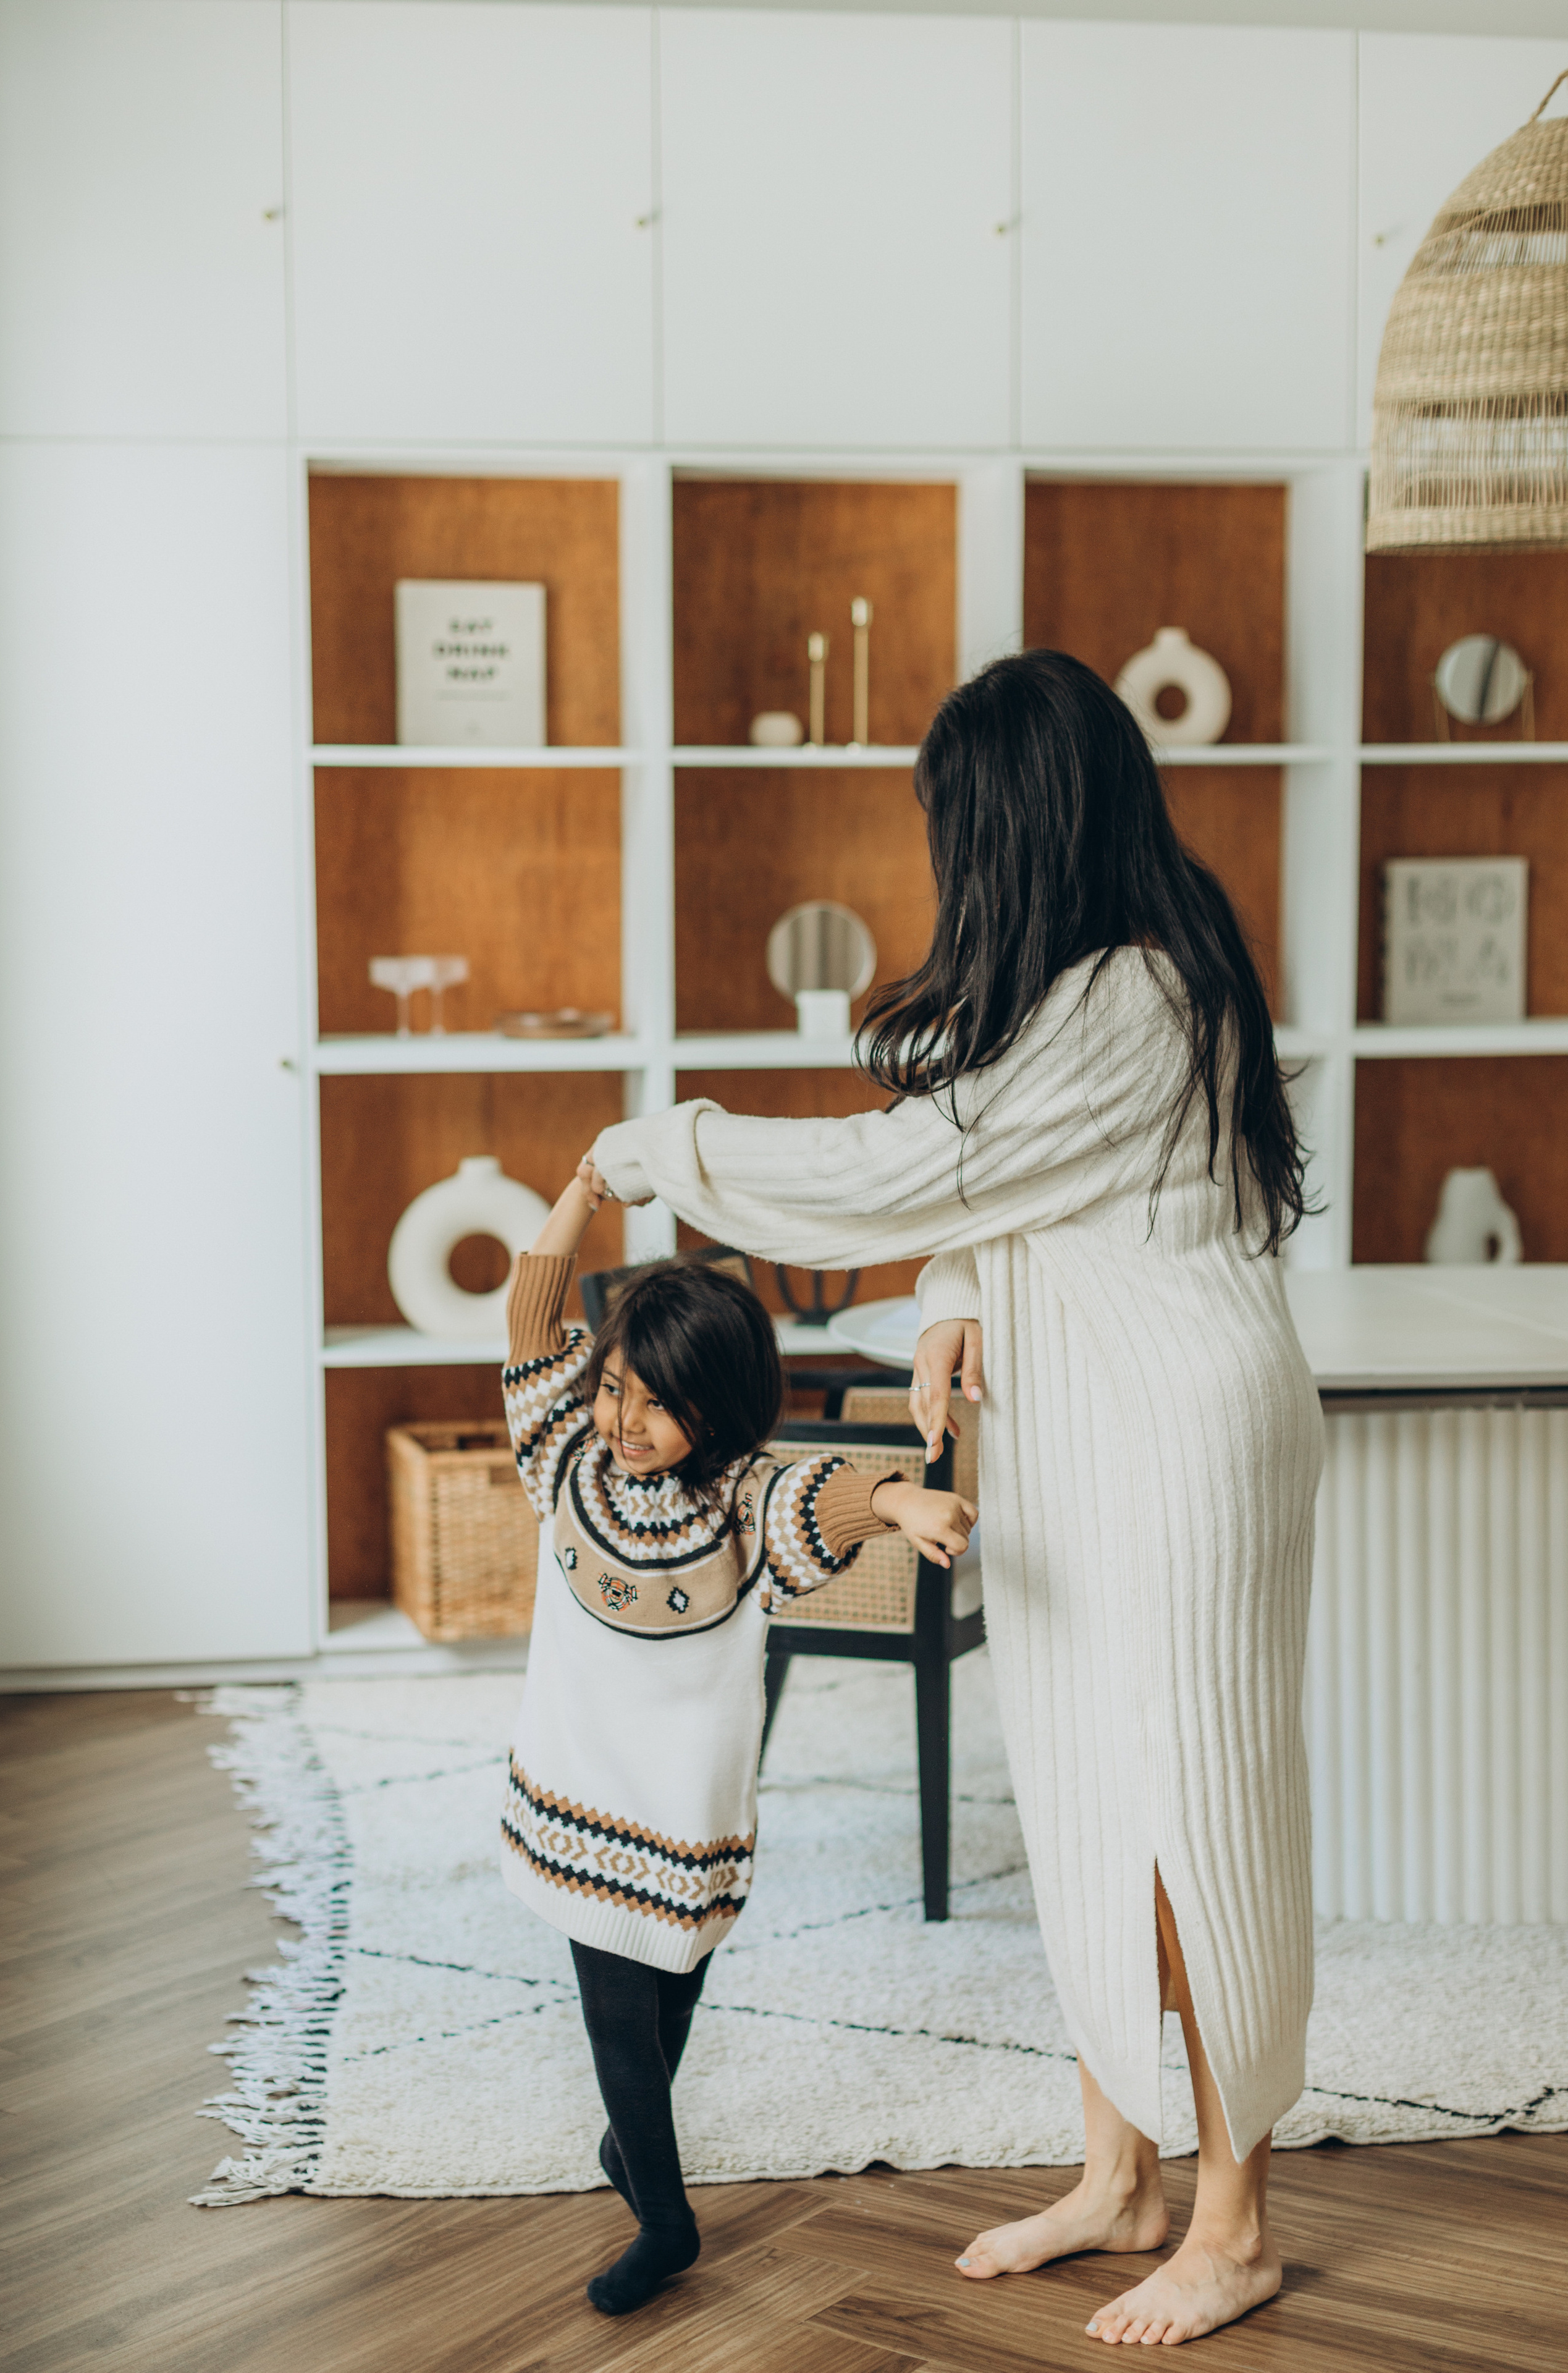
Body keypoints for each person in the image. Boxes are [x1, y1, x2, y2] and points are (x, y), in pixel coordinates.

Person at [585, 648, 1325, 2349]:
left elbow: (917, 1165)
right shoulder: (1098, 978)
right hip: (1081, 1430)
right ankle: (1119, 2176)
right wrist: (946, 1299)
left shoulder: (1139, 986)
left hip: (1185, 1442)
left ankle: (1234, 2224)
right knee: (1078, 1792)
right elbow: (1009, 1190)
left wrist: (667, 1147)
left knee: (1190, 1819)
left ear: (1018, 829)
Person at [498, 1167, 976, 2317]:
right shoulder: (562, 1456)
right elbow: (530, 1310)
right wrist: (577, 1195)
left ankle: (633, 2146)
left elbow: (821, 1496)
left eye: (657, 1406)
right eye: (615, 1387)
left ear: (716, 1414)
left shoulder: (738, 1501)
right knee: (617, 2004)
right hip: (581, 1791)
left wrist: (906, 1502)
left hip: (695, 1809)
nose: (624, 1419)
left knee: (672, 1988)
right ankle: (666, 2218)